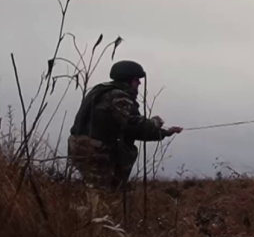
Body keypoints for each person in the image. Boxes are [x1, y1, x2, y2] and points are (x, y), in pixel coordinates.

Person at [68, 60, 183, 189]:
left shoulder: (102, 91)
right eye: (136, 79)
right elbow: (134, 124)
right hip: (95, 150)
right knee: (100, 194)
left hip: (82, 146)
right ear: (128, 80)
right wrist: (155, 122)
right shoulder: (118, 96)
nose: (139, 82)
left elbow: (129, 130)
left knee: (98, 190)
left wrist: (165, 133)